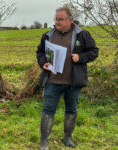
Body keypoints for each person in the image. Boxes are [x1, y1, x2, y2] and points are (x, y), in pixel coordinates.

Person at [36, 6, 99, 150]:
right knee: (48, 110)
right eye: (56, 19)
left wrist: (80, 57)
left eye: (61, 19)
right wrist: (42, 63)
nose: (57, 22)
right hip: (52, 81)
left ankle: (67, 138)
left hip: (73, 82)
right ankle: (44, 142)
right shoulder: (48, 35)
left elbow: (94, 51)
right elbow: (40, 52)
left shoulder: (82, 35)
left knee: (71, 110)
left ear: (70, 20)